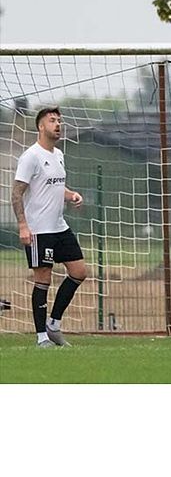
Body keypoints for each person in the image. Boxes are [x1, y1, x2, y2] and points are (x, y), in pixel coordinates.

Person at [12, 107, 88, 347]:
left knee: (79, 272)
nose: (58, 124)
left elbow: (54, 186)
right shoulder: (31, 156)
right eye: (52, 121)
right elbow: (17, 193)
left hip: (60, 228)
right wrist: (23, 225)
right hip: (38, 231)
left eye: (59, 121)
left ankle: (54, 324)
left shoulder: (58, 154)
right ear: (41, 126)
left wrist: (71, 194)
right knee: (43, 278)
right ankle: (41, 337)